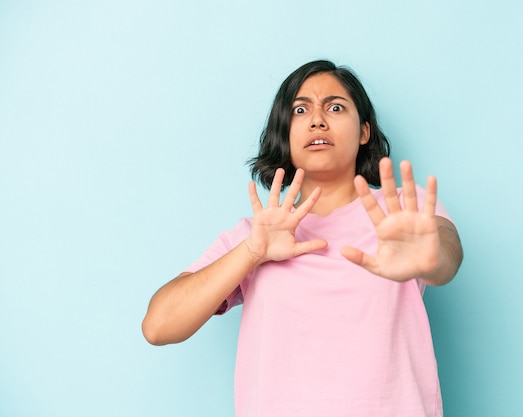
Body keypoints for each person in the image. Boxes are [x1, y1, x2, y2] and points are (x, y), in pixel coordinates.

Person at [142, 59, 463, 417]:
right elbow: (158, 326)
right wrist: (252, 252)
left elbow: (448, 253)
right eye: (300, 109)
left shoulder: (403, 210)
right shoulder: (255, 234)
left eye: (336, 107)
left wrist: (430, 254)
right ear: (285, 133)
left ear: (364, 132)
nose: (317, 120)